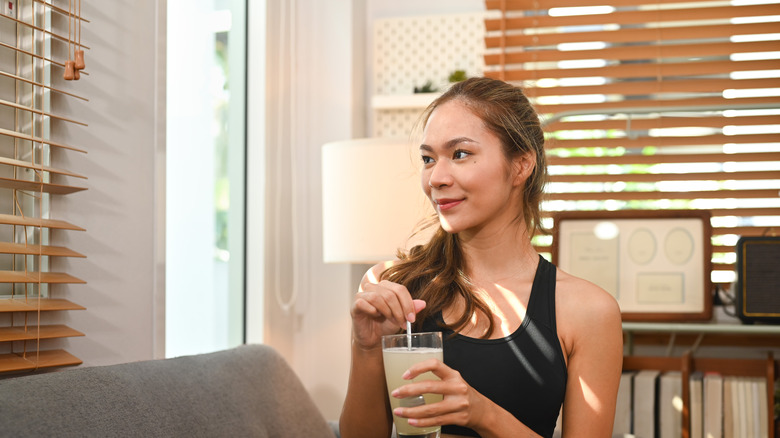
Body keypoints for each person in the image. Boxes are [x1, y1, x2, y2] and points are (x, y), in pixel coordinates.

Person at [339, 77, 623, 438]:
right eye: (428, 158)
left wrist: (482, 413)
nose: (436, 178)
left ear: (521, 165)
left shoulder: (588, 311)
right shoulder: (392, 285)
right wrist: (365, 348)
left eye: (460, 154)